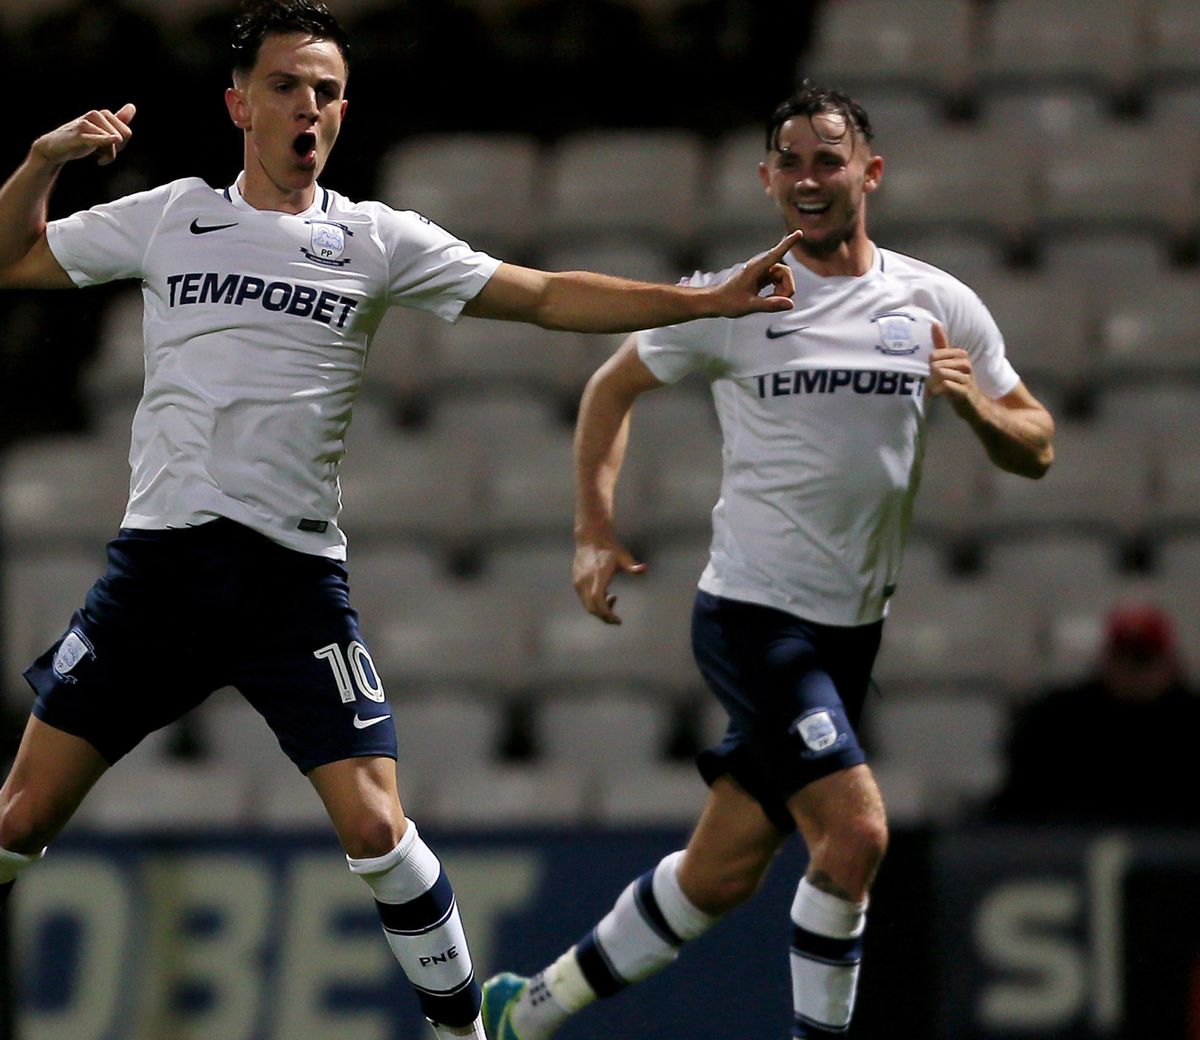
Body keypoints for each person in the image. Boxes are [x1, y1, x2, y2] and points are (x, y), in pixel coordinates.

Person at [0, 0, 802, 1040]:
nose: (308, 108)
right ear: (239, 104)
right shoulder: (172, 216)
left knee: (376, 823)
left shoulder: (377, 241)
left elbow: (545, 294)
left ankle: (463, 1035)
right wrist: (43, 161)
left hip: (288, 584)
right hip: (158, 574)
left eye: (326, 91)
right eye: (285, 86)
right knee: (19, 813)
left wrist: (698, 301)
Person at [480, 83, 1056, 1040]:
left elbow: (1035, 446)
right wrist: (592, 523)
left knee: (718, 875)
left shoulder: (933, 300)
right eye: (789, 162)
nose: (808, 178)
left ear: (870, 173)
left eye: (828, 159)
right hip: (754, 619)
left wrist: (979, 411)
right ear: (765, 180)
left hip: (849, 634)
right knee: (857, 833)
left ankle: (527, 1012)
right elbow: (610, 386)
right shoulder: (737, 300)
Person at [991, 601, 1200, 826]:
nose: (1131, 671)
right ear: (1105, 660)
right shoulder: (1058, 718)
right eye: (1122, 657)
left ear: (1170, 663)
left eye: (1142, 659)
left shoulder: (1191, 720)